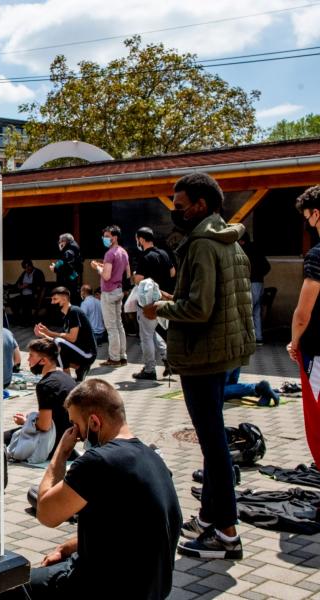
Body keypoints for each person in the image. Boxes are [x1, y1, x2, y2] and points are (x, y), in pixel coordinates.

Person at [144, 172, 254, 559]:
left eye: (180, 205)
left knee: (214, 445)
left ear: (201, 206)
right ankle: (210, 518)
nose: (176, 212)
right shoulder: (228, 240)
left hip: (202, 357)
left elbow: (199, 308)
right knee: (213, 442)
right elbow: (213, 299)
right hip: (220, 352)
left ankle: (225, 534)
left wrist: (159, 307)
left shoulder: (203, 245)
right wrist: (174, 295)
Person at [0, 379, 181, 600]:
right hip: (151, 589)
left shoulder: (98, 461)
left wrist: (61, 451)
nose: (76, 435)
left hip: (102, 588)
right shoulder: (154, 459)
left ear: (94, 422)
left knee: (7, 586)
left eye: (76, 426)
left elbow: (46, 513)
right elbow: (132, 530)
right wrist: (69, 547)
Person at [288, 185, 320, 465]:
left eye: (308, 217)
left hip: (317, 349)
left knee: (317, 419)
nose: (307, 223)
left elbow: (302, 312)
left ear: (317, 215)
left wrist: (295, 341)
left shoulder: (317, 255)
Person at [5, 339, 73, 462]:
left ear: (43, 361)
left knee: (1, 440)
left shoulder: (45, 385)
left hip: (52, 443)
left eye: (31, 356)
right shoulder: (66, 378)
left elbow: (44, 426)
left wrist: (27, 422)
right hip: (68, 440)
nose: (28, 360)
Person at [131, 227, 175, 380]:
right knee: (154, 332)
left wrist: (134, 276)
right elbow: (172, 272)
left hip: (148, 303)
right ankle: (167, 358)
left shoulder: (144, 257)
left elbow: (138, 280)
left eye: (137, 239)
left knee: (146, 336)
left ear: (141, 240)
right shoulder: (164, 253)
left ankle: (149, 369)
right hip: (163, 300)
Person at [34, 287, 97, 382]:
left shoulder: (74, 312)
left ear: (64, 299)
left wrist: (49, 333)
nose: (52, 302)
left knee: (58, 343)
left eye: (55, 299)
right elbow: (65, 341)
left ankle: (67, 379)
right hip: (79, 350)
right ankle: (79, 368)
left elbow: (72, 338)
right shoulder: (67, 316)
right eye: (52, 299)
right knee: (51, 352)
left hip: (88, 354)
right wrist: (43, 335)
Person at [90, 225, 129, 367]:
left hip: (109, 292)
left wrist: (97, 267)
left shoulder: (110, 253)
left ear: (115, 237)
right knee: (119, 325)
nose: (105, 239)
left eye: (107, 236)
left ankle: (114, 359)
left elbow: (106, 276)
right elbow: (127, 273)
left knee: (111, 327)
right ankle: (122, 356)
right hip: (119, 290)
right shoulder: (124, 252)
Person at [239, 233, 270, 345]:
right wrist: (259, 274)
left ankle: (247, 339)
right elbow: (267, 267)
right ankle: (259, 337)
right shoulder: (257, 249)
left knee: (247, 312)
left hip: (251, 283)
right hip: (260, 284)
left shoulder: (244, 251)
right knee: (256, 311)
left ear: (242, 241)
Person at [50, 233, 82, 303]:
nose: (59, 243)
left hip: (69, 282)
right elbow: (63, 261)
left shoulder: (69, 251)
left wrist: (55, 269)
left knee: (68, 301)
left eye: (60, 242)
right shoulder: (70, 249)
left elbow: (67, 267)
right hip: (71, 280)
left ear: (64, 241)